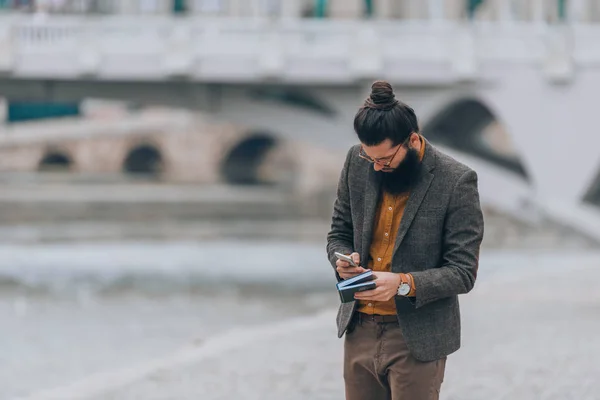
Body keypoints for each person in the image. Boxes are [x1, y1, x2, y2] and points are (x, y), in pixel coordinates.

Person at [326, 80, 484, 400]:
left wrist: (402, 282)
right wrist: (342, 261)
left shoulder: (456, 181)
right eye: (371, 159)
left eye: (385, 160)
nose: (377, 167)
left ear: (412, 140)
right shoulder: (357, 163)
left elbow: (463, 272)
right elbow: (338, 233)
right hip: (359, 328)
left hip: (416, 335)